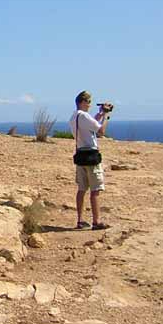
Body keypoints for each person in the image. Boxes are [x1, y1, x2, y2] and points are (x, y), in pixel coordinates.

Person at [69, 91, 112, 231]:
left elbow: (89, 124)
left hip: (80, 155)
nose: (89, 104)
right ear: (82, 102)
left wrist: (99, 114)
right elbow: (101, 131)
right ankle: (96, 221)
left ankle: (80, 220)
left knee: (81, 189)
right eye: (88, 101)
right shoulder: (84, 116)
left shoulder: (74, 117)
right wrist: (106, 116)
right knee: (95, 190)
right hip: (91, 156)